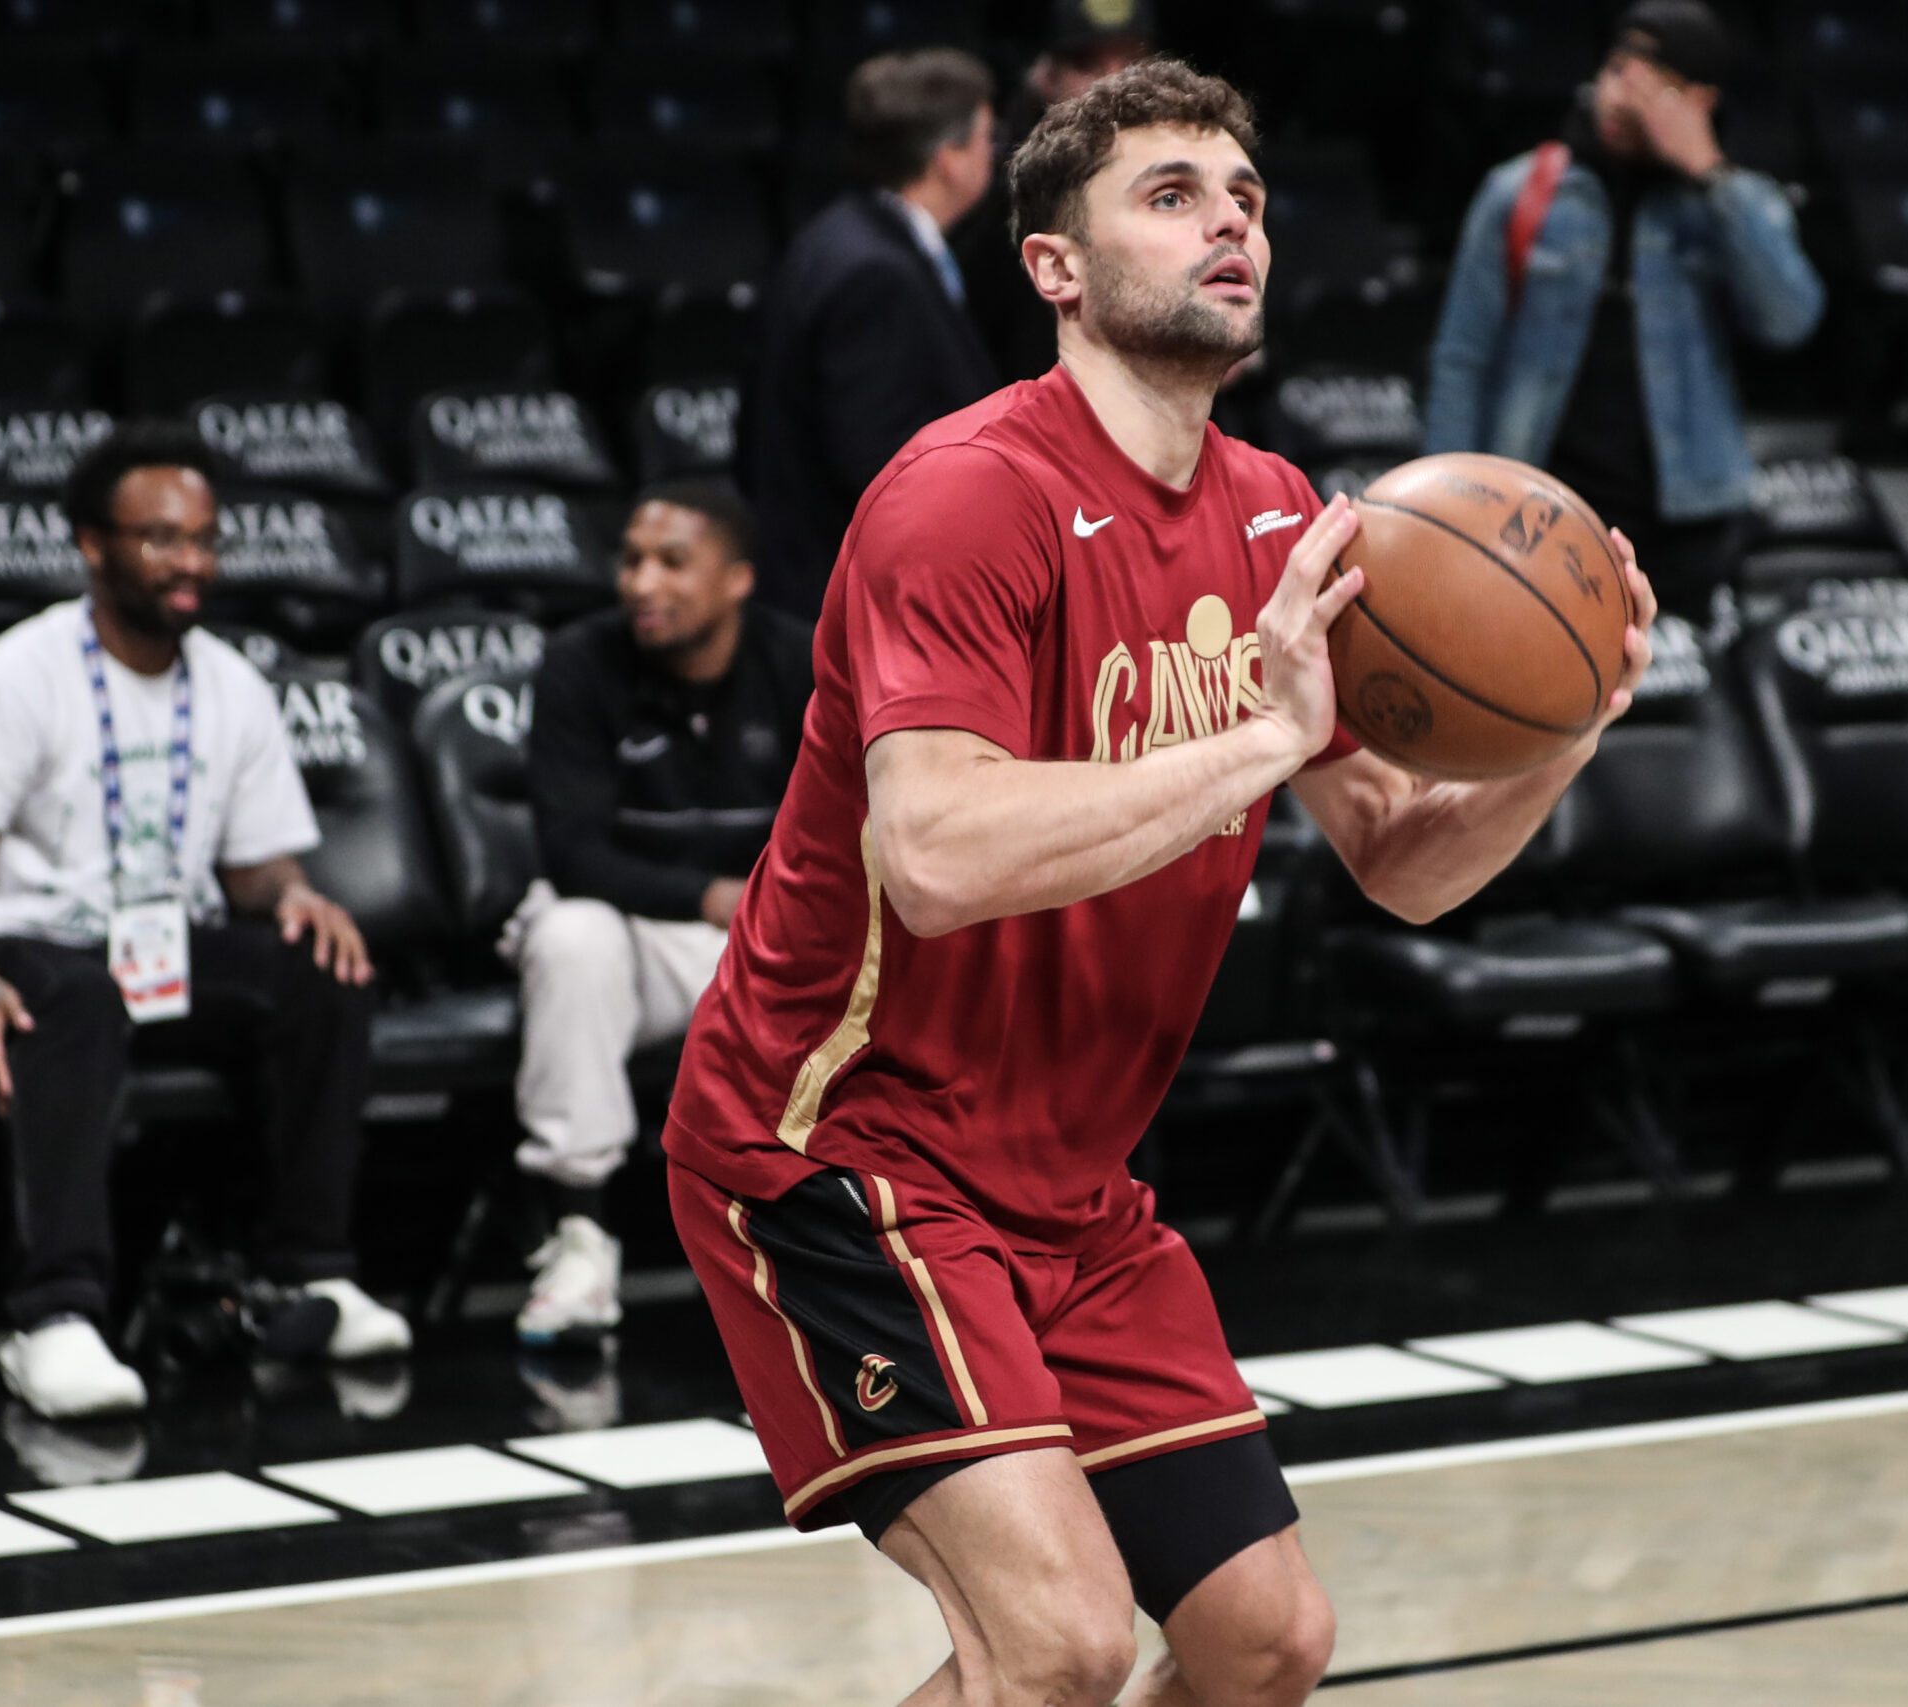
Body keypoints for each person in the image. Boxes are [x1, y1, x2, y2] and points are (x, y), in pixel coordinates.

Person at [663, 61, 1653, 1707]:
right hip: (836, 1143)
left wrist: (1569, 718)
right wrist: (1263, 738)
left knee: (1267, 1640)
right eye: (1172, 195)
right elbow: (936, 854)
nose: (1229, 226)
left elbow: (1405, 866)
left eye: (1247, 197)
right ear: (1055, 265)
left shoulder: (1286, 520)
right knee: (1054, 1642)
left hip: (1068, 1182)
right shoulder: (963, 493)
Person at [0, 422, 409, 1421]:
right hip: (21, 951)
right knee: (76, 994)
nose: (190, 563)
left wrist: (299, 898)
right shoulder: (13, 677)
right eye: (160, 539)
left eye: (203, 540)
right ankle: (53, 1319)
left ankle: (309, 1271)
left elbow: (254, 868)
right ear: (91, 545)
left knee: (320, 969)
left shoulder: (230, 683)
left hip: (155, 950)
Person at [507, 479, 813, 1345]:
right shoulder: (579, 662)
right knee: (569, 937)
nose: (643, 582)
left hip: (767, 933)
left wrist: (757, 910)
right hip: (638, 934)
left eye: (673, 562)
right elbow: (571, 853)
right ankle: (579, 1234)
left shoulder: (797, 662)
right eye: (632, 560)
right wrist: (709, 897)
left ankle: (830, 1245)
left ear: (735, 580)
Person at [1425, 0, 1821, 621]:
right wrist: (1446, 505)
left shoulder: (1733, 204)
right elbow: (1462, 357)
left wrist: (1709, 173)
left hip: (1687, 513)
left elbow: (1791, 319)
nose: (1622, 99)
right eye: (1616, 73)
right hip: (1541, 505)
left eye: (1652, 88)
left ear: (1700, 103)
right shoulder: (1522, 190)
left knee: (1680, 697)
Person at [747, 48, 1000, 617]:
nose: (995, 152)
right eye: (987, 135)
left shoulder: (843, 235)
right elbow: (884, 471)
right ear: (948, 159)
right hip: (855, 608)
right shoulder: (876, 274)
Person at [957, 0, 1157, 384]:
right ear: (1045, 76)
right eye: (1089, 66)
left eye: (1132, 63)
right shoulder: (1003, 187)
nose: (1114, 84)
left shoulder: (1192, 167)